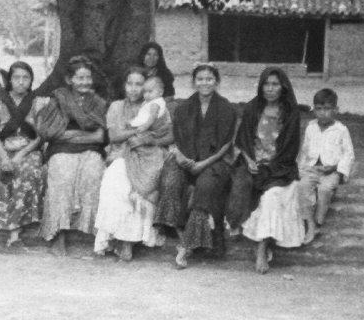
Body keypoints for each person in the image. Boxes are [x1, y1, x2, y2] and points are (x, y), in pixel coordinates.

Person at [156, 63, 238, 270]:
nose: (204, 83)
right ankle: (178, 231)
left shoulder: (226, 108)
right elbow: (178, 137)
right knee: (170, 180)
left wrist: (203, 163)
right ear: (194, 82)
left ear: (216, 82)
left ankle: (186, 246)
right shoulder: (184, 107)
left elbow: (226, 144)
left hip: (215, 161)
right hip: (187, 158)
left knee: (205, 188)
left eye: (209, 79)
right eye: (200, 79)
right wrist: (183, 158)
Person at [227, 67, 305, 274]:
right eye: (266, 84)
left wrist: (268, 166)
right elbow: (243, 140)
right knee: (240, 184)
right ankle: (234, 223)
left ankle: (261, 249)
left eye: (275, 85)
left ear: (283, 87)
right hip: (253, 163)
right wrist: (248, 159)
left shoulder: (290, 113)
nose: (270, 89)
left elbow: (290, 148)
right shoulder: (253, 108)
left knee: (271, 198)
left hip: (278, 167)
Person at [93, 68, 173, 261]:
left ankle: (128, 242)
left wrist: (148, 141)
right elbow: (113, 136)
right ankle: (115, 237)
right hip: (121, 154)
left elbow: (170, 135)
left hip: (149, 155)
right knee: (114, 183)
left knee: (137, 188)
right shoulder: (116, 106)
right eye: (130, 83)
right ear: (124, 85)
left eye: (139, 84)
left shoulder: (155, 106)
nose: (135, 89)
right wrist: (135, 133)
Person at [36, 55, 109, 256]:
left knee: (93, 173)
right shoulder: (58, 98)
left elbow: (100, 136)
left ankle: (92, 232)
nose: (85, 82)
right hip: (60, 150)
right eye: (80, 78)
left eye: (88, 78)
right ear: (70, 80)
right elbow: (50, 133)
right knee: (62, 176)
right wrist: (85, 135)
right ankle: (59, 234)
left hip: (92, 150)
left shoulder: (98, 103)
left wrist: (70, 135)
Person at [0, 61, 49, 247]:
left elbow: (39, 137)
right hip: (3, 147)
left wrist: (19, 156)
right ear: (10, 80)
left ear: (31, 80)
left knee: (27, 173)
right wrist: (4, 157)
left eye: (25, 78)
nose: (21, 82)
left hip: (28, 149)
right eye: (16, 78)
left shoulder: (37, 102)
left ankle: (15, 230)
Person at [297, 88, 354, 243]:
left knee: (324, 189)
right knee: (302, 187)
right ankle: (308, 220)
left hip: (331, 171)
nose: (322, 113)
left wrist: (336, 168)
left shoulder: (341, 130)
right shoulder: (311, 127)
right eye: (319, 109)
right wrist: (301, 168)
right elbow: (305, 150)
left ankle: (317, 221)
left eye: (327, 109)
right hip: (312, 168)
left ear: (336, 110)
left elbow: (348, 154)